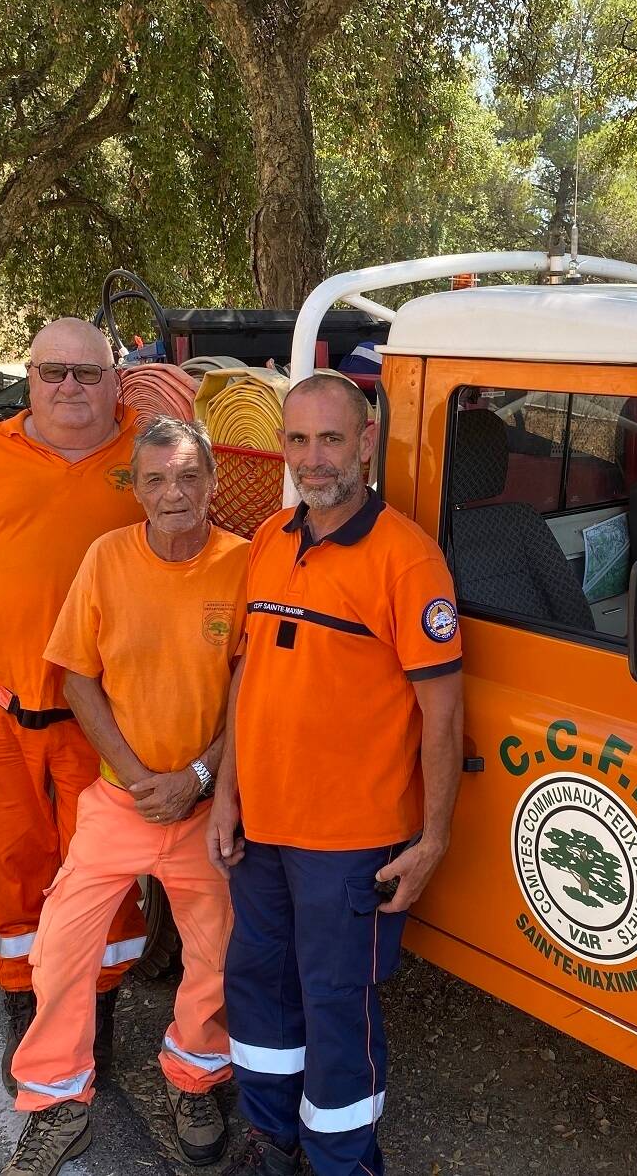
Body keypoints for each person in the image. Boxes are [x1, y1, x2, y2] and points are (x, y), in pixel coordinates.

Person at [208, 373, 464, 1176]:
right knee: (257, 989)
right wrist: (227, 795)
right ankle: (272, 1139)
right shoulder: (270, 543)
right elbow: (249, 677)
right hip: (261, 829)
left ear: (364, 443)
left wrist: (432, 841)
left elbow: (444, 714)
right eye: (297, 440)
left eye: (329, 440)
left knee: (335, 1006)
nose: (312, 459)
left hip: (351, 842)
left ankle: (342, 1161)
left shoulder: (407, 560)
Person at [1, 417, 248, 1175]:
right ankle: (55, 1100)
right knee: (62, 948)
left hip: (209, 805)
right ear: (136, 490)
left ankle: (194, 1078)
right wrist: (139, 777)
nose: (172, 493)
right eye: (155, 480)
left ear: (211, 483)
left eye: (186, 478)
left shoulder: (246, 564)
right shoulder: (107, 558)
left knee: (219, 955)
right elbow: (76, 673)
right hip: (120, 798)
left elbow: (252, 687)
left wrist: (201, 777)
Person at [0, 317, 148, 1091]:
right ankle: (25, 1009)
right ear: (30, 379)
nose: (70, 387)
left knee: (101, 877)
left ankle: (93, 1018)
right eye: (52, 373)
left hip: (105, 718)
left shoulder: (152, 456)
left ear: (117, 379)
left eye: (86, 372)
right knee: (6, 867)